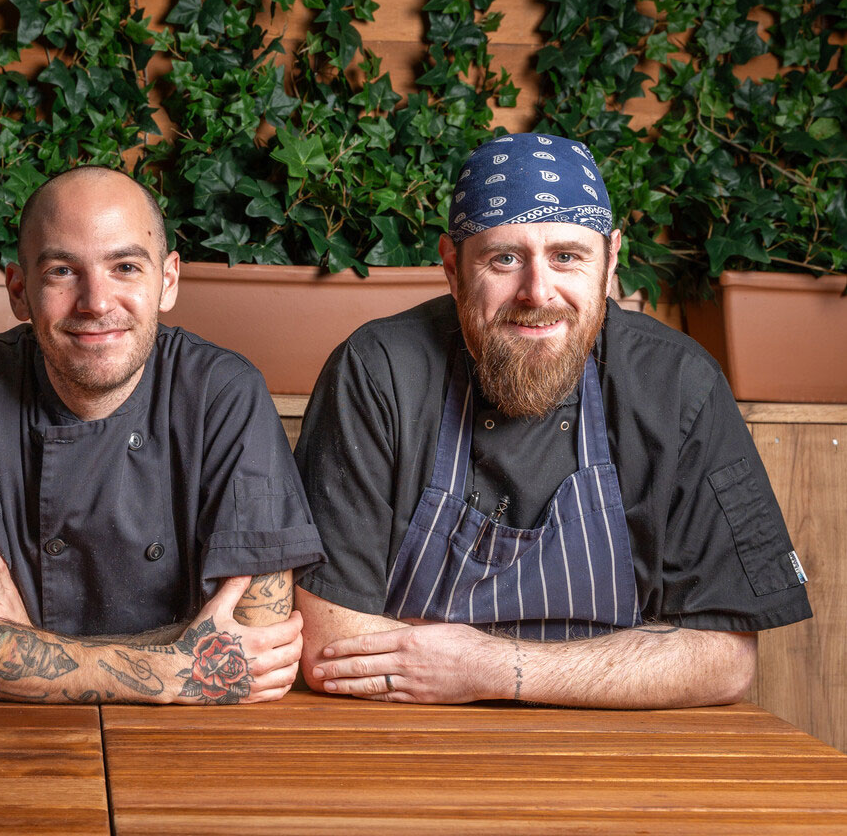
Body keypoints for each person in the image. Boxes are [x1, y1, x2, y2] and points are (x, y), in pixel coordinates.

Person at [294, 133, 811, 708]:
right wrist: (623, 666)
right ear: (452, 267)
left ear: (611, 261)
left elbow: (723, 660)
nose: (538, 292)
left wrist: (492, 668)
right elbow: (331, 645)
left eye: (567, 256)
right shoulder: (378, 372)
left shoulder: (679, 385)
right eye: (504, 259)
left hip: (620, 757)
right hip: (411, 744)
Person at [0, 166, 324, 704]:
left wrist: (25, 644)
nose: (96, 302)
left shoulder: (224, 392)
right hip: (11, 744)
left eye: (124, 266)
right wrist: (174, 668)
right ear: (19, 291)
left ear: (167, 281)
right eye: (62, 271)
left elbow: (257, 642)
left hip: (189, 748)